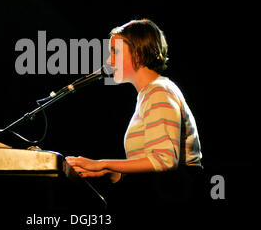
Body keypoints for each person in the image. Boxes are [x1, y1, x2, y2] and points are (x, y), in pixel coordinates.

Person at [66, 19, 203, 202]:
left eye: (115, 52)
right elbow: (150, 168)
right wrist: (109, 172)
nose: (109, 60)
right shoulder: (150, 93)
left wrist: (102, 163)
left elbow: (165, 160)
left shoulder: (159, 92)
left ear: (138, 54)